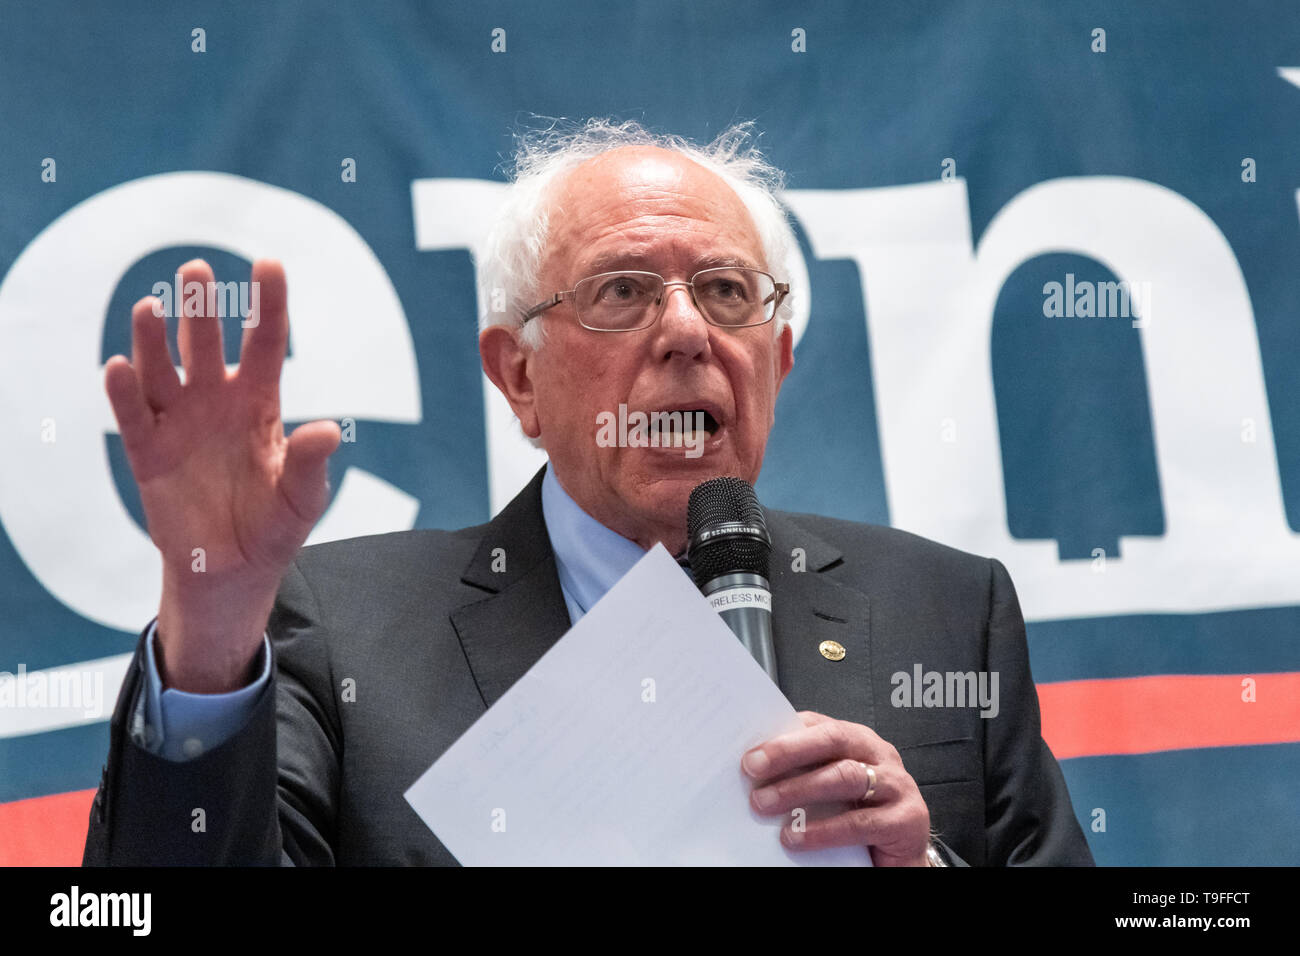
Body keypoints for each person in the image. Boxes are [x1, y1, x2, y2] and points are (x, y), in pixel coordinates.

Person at [84, 119, 1093, 866]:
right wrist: (211, 628)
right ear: (517, 376)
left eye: (727, 291)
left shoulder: (944, 613)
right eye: (621, 292)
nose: (688, 331)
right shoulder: (343, 627)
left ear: (777, 362)